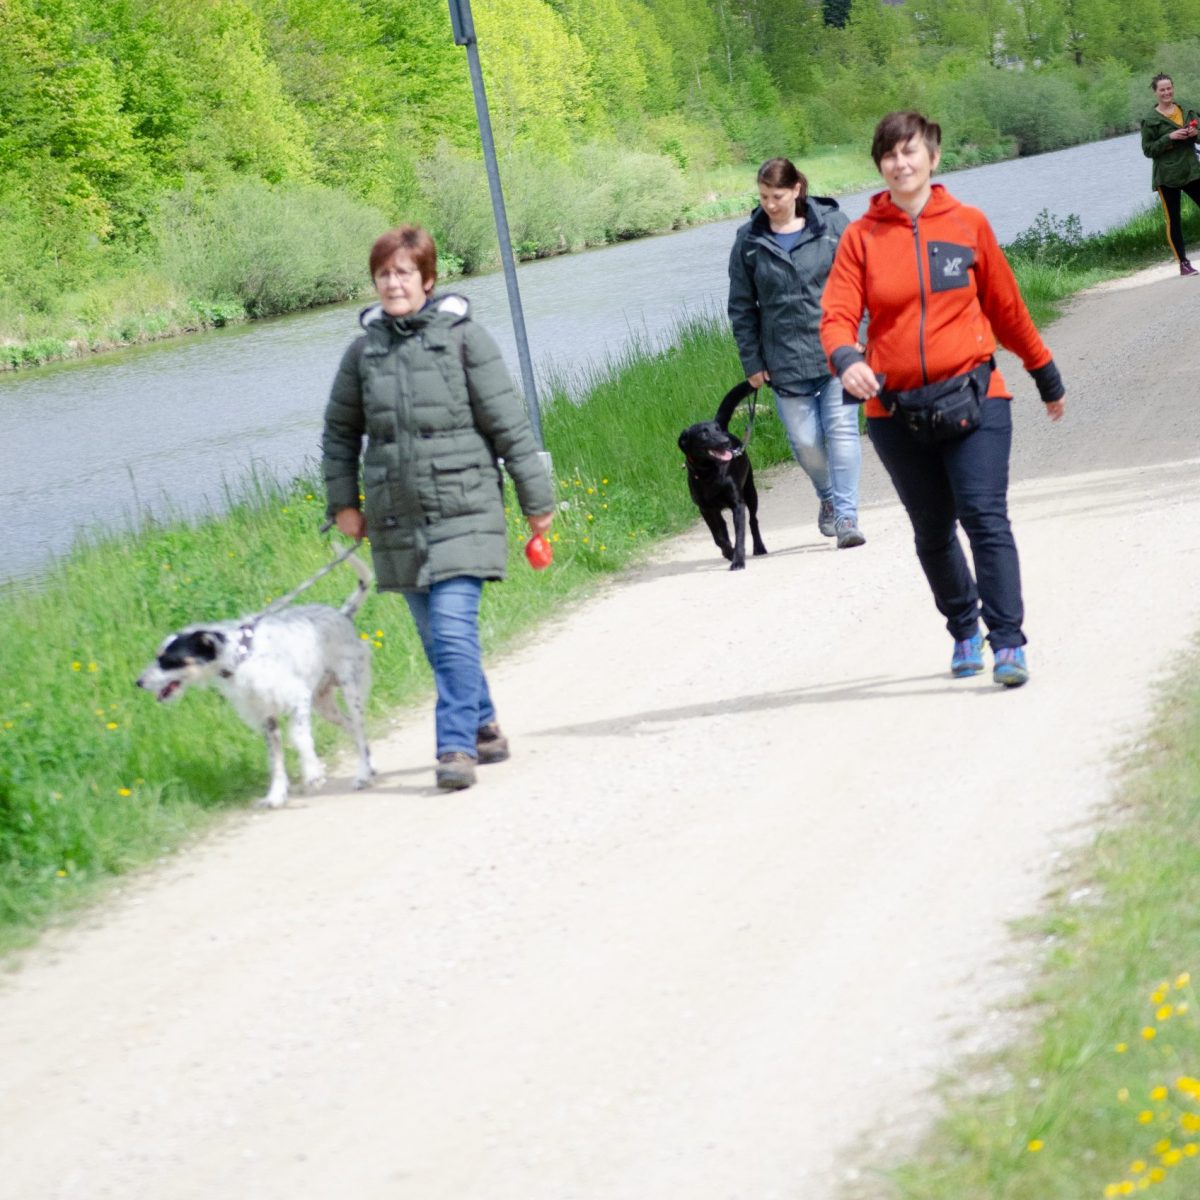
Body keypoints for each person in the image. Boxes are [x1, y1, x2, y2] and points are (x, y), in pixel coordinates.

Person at [820, 111, 1066, 688]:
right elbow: (836, 315)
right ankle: (963, 627)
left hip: (975, 396)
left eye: (910, 152)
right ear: (879, 165)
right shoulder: (860, 238)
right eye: (889, 154)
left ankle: (1008, 642)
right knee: (932, 529)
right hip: (895, 410)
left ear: (933, 157)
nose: (900, 163)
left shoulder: (967, 223)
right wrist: (847, 359)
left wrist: (1044, 373)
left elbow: (1007, 308)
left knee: (984, 516)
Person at [322, 225, 554, 790]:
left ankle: (454, 749)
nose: (392, 283)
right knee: (437, 641)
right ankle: (484, 725)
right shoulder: (363, 353)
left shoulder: (465, 340)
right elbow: (339, 433)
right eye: (383, 274)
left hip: (465, 509)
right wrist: (342, 503)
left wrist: (536, 499)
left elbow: (509, 424)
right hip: (396, 518)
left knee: (451, 633)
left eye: (403, 273)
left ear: (427, 279)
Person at [728, 157, 865, 548]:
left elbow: (863, 279)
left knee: (843, 433)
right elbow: (741, 306)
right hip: (783, 360)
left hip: (837, 351)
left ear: (796, 190)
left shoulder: (833, 226)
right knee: (806, 442)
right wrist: (752, 361)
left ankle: (847, 516)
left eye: (777, 196)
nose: (770, 204)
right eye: (763, 197)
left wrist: (861, 333)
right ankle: (827, 496)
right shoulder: (749, 241)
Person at [1141, 73, 1200, 276]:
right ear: (1155, 92)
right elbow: (1148, 150)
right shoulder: (1150, 120)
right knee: (1174, 219)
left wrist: (1195, 134)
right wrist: (1169, 137)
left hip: (1192, 170)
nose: (1166, 92)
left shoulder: (1187, 110)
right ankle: (1183, 263)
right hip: (1167, 176)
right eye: (1162, 89)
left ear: (1173, 88)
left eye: (1169, 88)